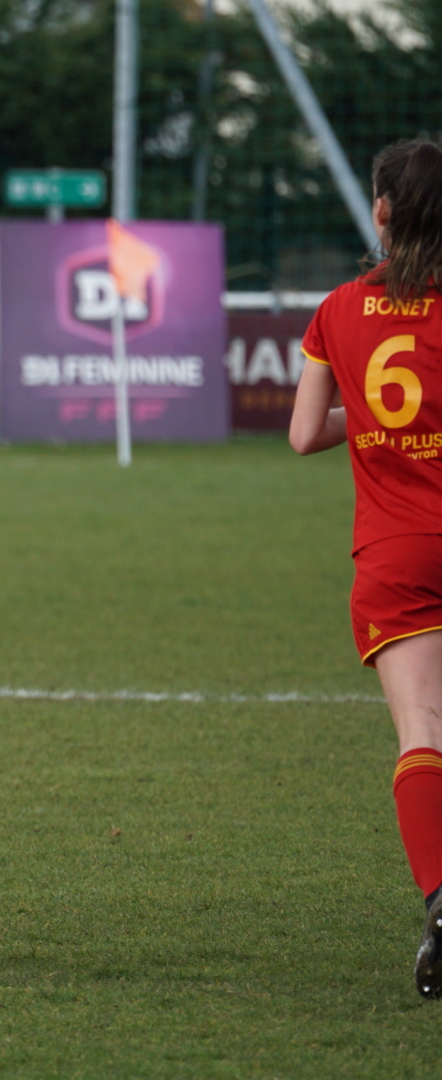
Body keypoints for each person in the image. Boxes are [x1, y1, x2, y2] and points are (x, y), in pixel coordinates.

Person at [289, 138, 442, 1000]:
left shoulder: (338, 312)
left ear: (381, 212)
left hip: (395, 553)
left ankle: (441, 896)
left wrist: (380, 426)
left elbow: (305, 433)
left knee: (422, 732)